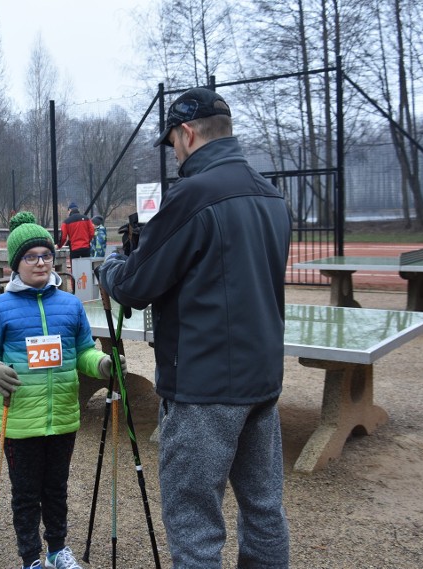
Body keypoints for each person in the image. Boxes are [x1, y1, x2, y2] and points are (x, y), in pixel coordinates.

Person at [97, 87, 292, 568]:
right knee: (264, 511)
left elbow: (136, 286)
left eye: (174, 143)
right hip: (262, 379)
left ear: (186, 133)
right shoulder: (270, 195)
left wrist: (110, 267)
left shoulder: (192, 195)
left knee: (194, 526)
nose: (176, 154)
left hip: (204, 387)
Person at [0, 211, 125, 569]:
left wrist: (102, 365)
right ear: (16, 263)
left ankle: (57, 550)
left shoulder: (70, 305)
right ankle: (31, 559)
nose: (40, 263)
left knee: (56, 490)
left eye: (45, 255)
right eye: (31, 256)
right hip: (21, 420)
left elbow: (84, 352)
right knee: (26, 496)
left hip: (62, 417)